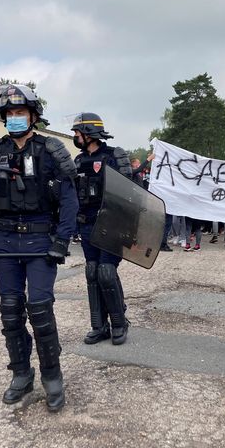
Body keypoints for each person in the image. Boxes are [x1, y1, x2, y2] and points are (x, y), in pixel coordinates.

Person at [0, 84, 77, 412]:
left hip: (40, 239)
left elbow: (70, 198)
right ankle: (20, 373)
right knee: (11, 311)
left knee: (40, 309)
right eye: (10, 113)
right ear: (4, 117)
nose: (15, 118)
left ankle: (52, 375)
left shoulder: (51, 150)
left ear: (33, 115)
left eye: (21, 112)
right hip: (4, 239)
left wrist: (62, 240)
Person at [73, 112, 133, 346]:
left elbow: (130, 194)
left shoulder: (115, 156)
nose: (75, 136)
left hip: (112, 224)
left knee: (106, 273)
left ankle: (119, 323)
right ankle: (99, 326)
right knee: (92, 272)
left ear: (89, 133)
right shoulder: (77, 162)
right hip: (87, 225)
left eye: (78, 132)